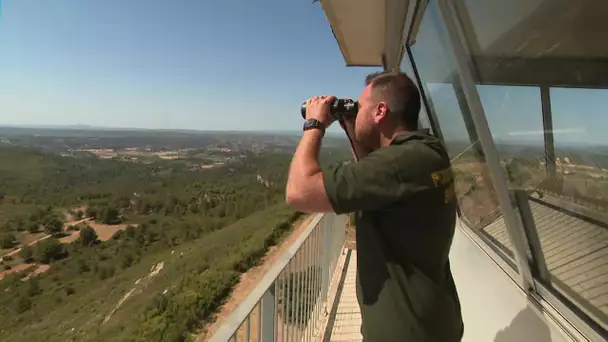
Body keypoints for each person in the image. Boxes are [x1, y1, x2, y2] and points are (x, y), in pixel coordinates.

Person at [285, 71, 464, 341]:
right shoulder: (424, 152)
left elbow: (299, 192)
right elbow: (374, 177)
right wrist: (351, 126)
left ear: (380, 111)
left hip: (406, 331)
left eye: (360, 107)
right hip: (430, 321)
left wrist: (314, 124)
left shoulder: (401, 163)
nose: (355, 111)